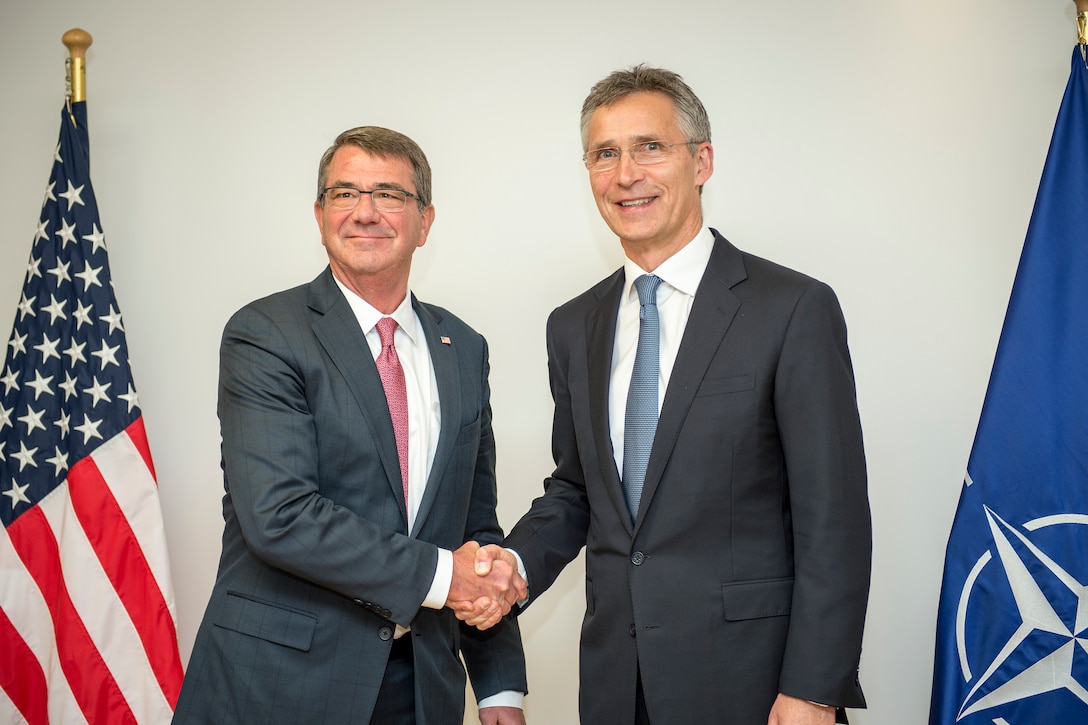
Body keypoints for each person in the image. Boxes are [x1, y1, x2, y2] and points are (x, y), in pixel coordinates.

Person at [467, 65, 871, 724]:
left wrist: (814, 688)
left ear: (701, 160)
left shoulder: (792, 308)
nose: (626, 173)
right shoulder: (573, 325)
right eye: (605, 154)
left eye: (649, 146)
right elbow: (577, 490)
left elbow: (834, 520)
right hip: (617, 689)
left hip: (757, 688)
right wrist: (509, 564)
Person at [173, 126, 527, 725]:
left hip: (420, 691)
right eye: (344, 194)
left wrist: (498, 689)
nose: (366, 212)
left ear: (425, 221)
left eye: (389, 194)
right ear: (319, 214)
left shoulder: (463, 348)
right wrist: (446, 578)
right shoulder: (265, 333)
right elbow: (280, 516)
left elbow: (475, 525)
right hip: (280, 688)